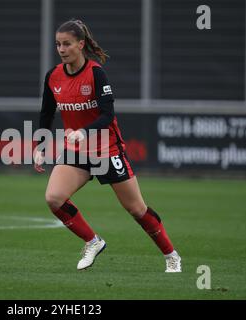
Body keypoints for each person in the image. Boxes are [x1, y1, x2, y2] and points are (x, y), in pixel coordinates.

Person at [34, 19, 181, 272]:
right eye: (58, 44)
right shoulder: (53, 76)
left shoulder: (95, 73)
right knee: (54, 198)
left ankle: (171, 256)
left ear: (81, 45)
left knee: (136, 209)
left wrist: (83, 132)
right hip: (77, 151)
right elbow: (47, 113)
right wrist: (40, 144)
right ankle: (93, 242)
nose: (61, 49)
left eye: (67, 44)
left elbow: (107, 115)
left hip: (106, 149)